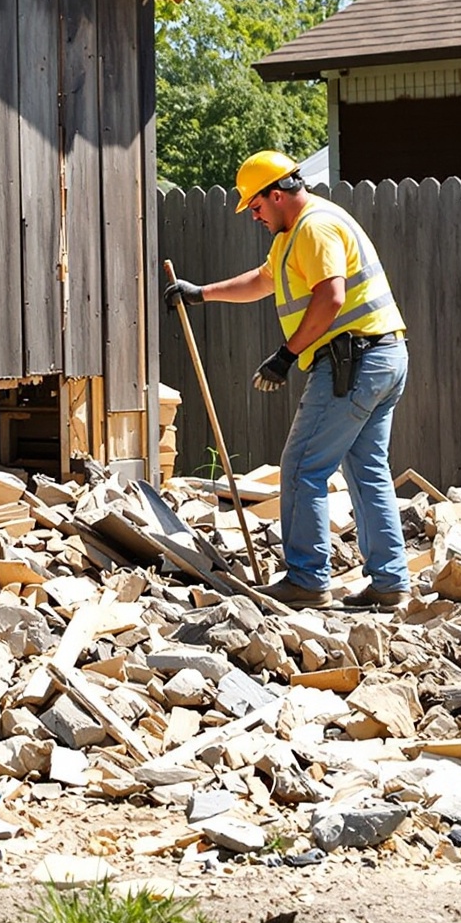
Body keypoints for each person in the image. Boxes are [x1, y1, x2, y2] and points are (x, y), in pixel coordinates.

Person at [164, 150, 410, 610]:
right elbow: (263, 280)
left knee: (302, 467)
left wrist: (286, 354)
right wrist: (202, 294)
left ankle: (306, 579)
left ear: (276, 195)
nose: (254, 217)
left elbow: (331, 296)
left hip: (351, 362)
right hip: (382, 356)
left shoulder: (314, 228)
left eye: (255, 207)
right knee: (368, 470)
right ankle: (389, 581)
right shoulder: (295, 234)